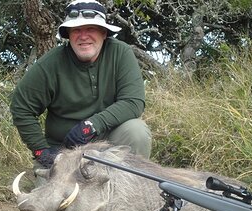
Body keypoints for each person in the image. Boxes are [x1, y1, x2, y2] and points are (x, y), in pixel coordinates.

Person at [10, 0, 152, 169]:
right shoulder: (50, 63)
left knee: (137, 131)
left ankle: (129, 189)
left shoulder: (121, 53)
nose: (83, 36)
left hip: (109, 142)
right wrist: (41, 151)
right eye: (76, 29)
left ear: (104, 33)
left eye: (91, 28)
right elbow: (21, 107)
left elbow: (133, 102)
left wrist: (91, 125)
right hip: (63, 150)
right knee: (51, 194)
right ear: (68, 35)